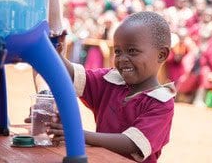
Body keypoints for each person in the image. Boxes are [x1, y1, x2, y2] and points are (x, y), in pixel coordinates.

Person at [46, 11, 176, 163]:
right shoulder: (110, 81)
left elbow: (132, 144)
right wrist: (55, 53)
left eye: (132, 51)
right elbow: (71, 76)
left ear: (161, 55)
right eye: (118, 51)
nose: (122, 59)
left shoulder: (161, 102)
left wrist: (77, 134)